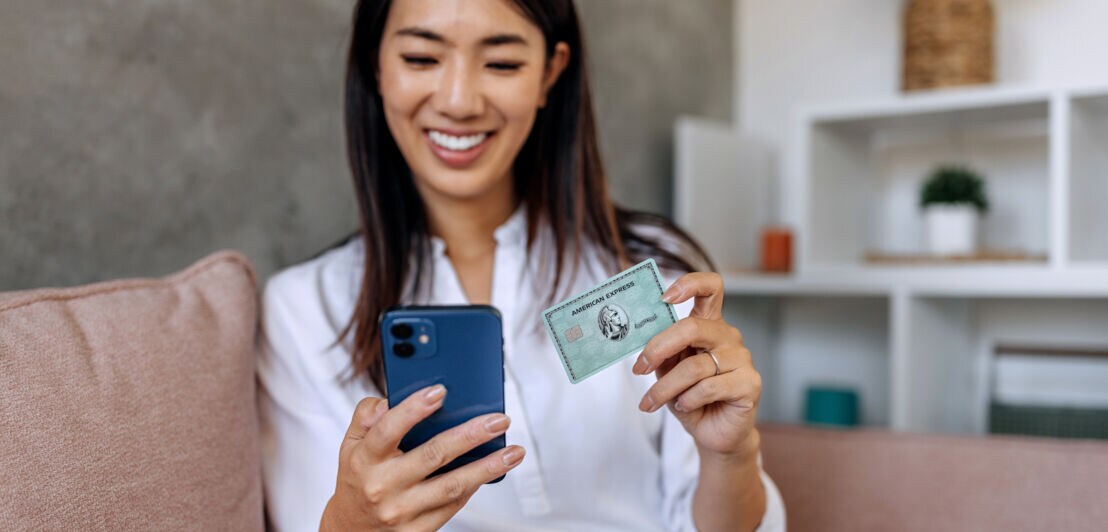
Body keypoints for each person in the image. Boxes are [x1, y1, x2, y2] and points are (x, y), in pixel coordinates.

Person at [257, 0, 785, 530]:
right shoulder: (305, 309)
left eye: (502, 64)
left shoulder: (654, 268)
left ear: (549, 73)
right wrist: (352, 522)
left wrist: (730, 455)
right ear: (376, 65)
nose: (459, 101)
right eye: (421, 58)